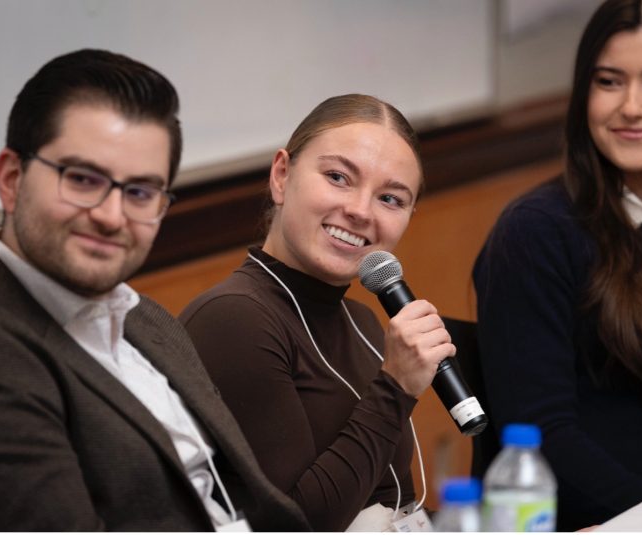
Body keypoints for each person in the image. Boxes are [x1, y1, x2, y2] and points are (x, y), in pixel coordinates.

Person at [0, 49, 309, 531]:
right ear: (12, 180)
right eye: (83, 179)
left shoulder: (143, 316)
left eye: (139, 192)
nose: (112, 217)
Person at [473, 0, 642, 530]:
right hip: (613, 522)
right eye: (608, 81)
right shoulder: (535, 234)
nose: (631, 106)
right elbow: (545, 436)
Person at [180, 94, 455, 531]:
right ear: (281, 176)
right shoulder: (233, 319)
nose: (361, 211)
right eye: (338, 177)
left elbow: (394, 504)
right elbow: (298, 524)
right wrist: (396, 387)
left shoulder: (362, 320)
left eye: (390, 198)